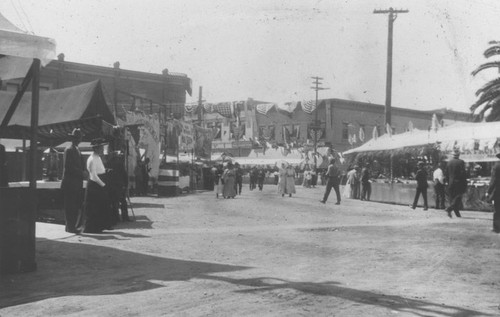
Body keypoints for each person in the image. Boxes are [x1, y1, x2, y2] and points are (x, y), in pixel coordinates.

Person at [80, 138, 112, 233]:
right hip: (94, 185)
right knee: (93, 207)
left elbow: (100, 169)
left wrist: (106, 171)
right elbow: (93, 175)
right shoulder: (92, 159)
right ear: (96, 148)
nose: (102, 150)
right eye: (101, 148)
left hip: (99, 184)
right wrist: (103, 185)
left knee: (100, 206)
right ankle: (92, 228)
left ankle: (99, 227)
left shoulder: (98, 157)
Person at [60, 128, 85, 233]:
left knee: (74, 206)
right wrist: (82, 173)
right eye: (77, 138)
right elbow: (69, 167)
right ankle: (70, 227)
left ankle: (71, 226)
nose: (79, 140)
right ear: (73, 138)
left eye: (79, 138)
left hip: (76, 183)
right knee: (70, 206)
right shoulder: (69, 150)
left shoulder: (77, 150)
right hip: (70, 183)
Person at [107, 151, 130, 222]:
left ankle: (115, 218)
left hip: (111, 186)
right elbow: (124, 175)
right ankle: (125, 217)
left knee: (114, 202)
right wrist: (126, 185)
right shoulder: (120, 164)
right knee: (123, 202)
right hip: (119, 186)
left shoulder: (107, 163)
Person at [445, 149, 467, 218]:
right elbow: (463, 173)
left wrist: (448, 182)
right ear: (458, 155)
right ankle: (450, 208)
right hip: (459, 182)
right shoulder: (461, 162)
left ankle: (457, 214)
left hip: (451, 183)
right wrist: (465, 182)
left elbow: (446, 174)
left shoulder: (449, 163)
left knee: (453, 198)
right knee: (458, 197)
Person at [485, 152, 500, 233]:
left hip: (498, 191)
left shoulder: (497, 166)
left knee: (497, 209)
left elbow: (493, 180)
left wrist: (488, 191)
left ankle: (497, 228)